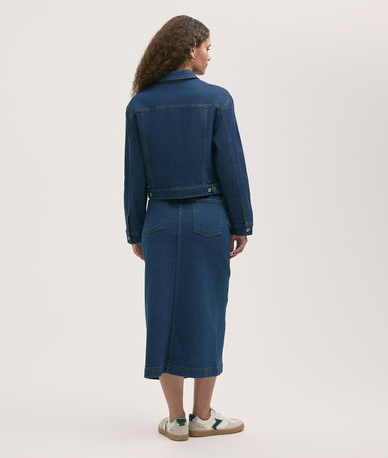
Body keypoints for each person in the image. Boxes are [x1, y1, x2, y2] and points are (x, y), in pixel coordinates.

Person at [123, 15, 253, 441]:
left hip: (159, 220)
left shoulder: (139, 105)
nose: (210, 56)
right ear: (189, 48)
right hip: (209, 220)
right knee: (207, 314)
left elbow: (133, 177)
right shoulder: (217, 100)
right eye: (207, 47)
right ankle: (203, 416)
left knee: (162, 314)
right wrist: (242, 223)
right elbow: (231, 167)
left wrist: (136, 231)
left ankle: (176, 420)